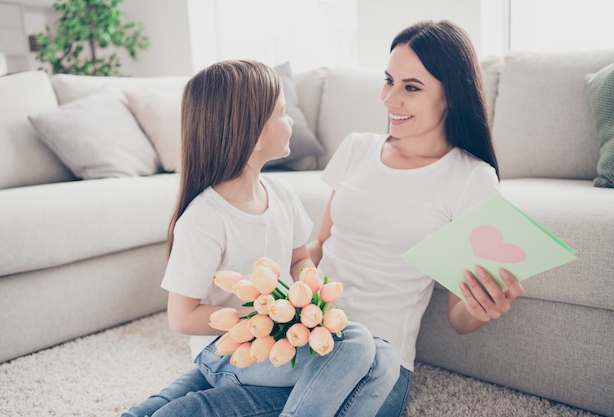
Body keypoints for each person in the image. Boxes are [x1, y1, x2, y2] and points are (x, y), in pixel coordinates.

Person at [126, 20, 524, 416]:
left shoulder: (471, 178)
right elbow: (316, 248)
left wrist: (479, 305)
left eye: (411, 87)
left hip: (378, 360)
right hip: (301, 332)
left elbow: (460, 315)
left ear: (450, 95)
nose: (389, 99)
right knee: (245, 374)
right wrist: (279, 307)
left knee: (266, 393)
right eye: (388, 80)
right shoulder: (357, 149)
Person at [122, 60, 400, 417]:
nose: (291, 122)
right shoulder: (205, 218)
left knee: (385, 355)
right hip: (226, 350)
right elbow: (181, 317)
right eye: (283, 114)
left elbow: (300, 258)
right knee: (357, 347)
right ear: (252, 137)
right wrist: (266, 317)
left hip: (282, 338)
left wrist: (308, 299)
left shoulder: (281, 194)